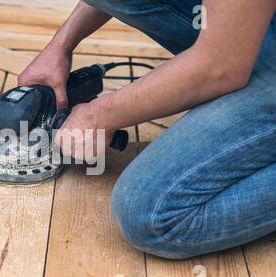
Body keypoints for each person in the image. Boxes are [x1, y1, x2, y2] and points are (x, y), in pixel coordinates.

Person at [18, 0, 276, 259]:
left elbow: (222, 66)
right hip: (251, 22)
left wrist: (101, 116)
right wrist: (61, 45)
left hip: (237, 51)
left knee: (150, 213)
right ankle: (228, 59)